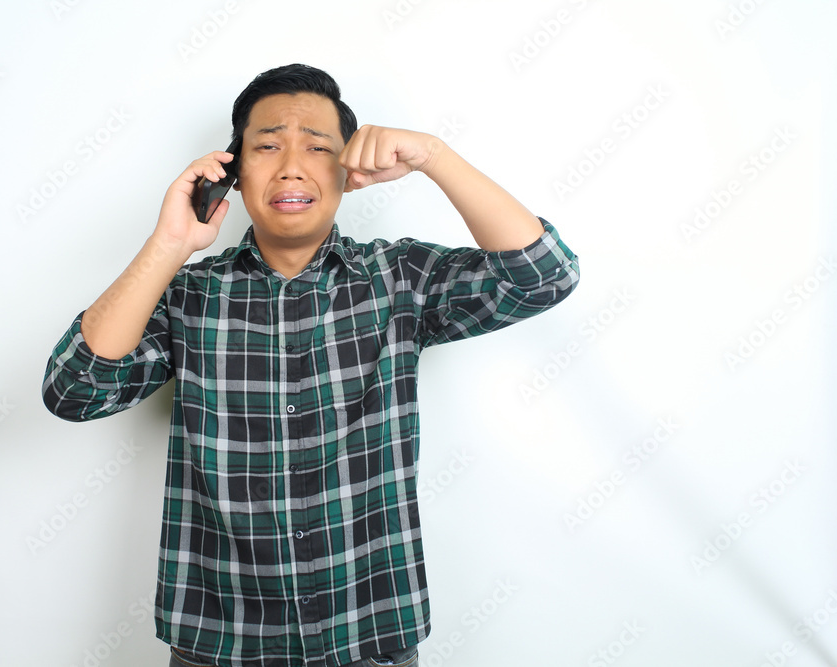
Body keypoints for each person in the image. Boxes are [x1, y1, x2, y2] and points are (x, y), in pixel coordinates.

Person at [42, 63, 579, 667]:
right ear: (234, 173)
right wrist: (169, 244)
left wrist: (434, 155)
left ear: (348, 171)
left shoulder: (398, 278)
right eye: (268, 146)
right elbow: (74, 390)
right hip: (220, 640)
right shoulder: (189, 294)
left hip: (368, 632)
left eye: (318, 147)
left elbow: (545, 274)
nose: (292, 166)